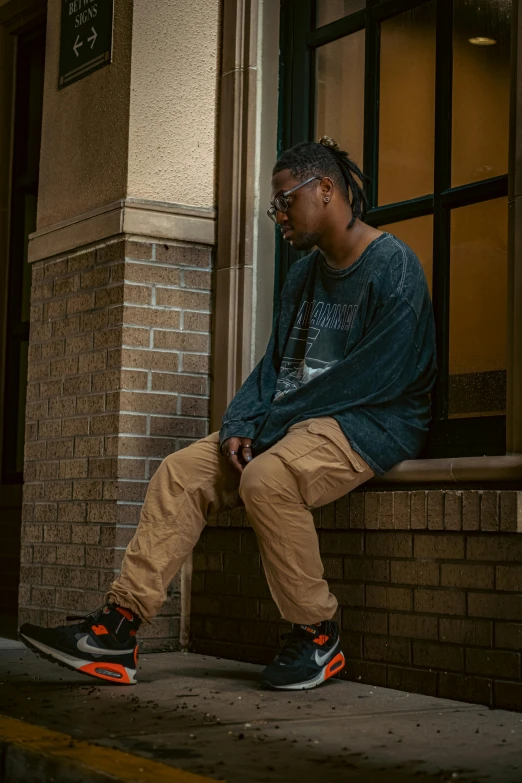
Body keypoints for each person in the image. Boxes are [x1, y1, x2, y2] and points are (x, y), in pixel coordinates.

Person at [20, 137, 436, 690]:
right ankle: (117, 630)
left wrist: (270, 429)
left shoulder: (393, 267)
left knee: (267, 478)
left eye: (285, 200)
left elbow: (377, 376)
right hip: (294, 423)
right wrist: (242, 422)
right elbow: (275, 365)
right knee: (181, 471)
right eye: (275, 205)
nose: (279, 215)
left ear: (327, 189)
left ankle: (317, 635)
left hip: (372, 420)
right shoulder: (302, 276)